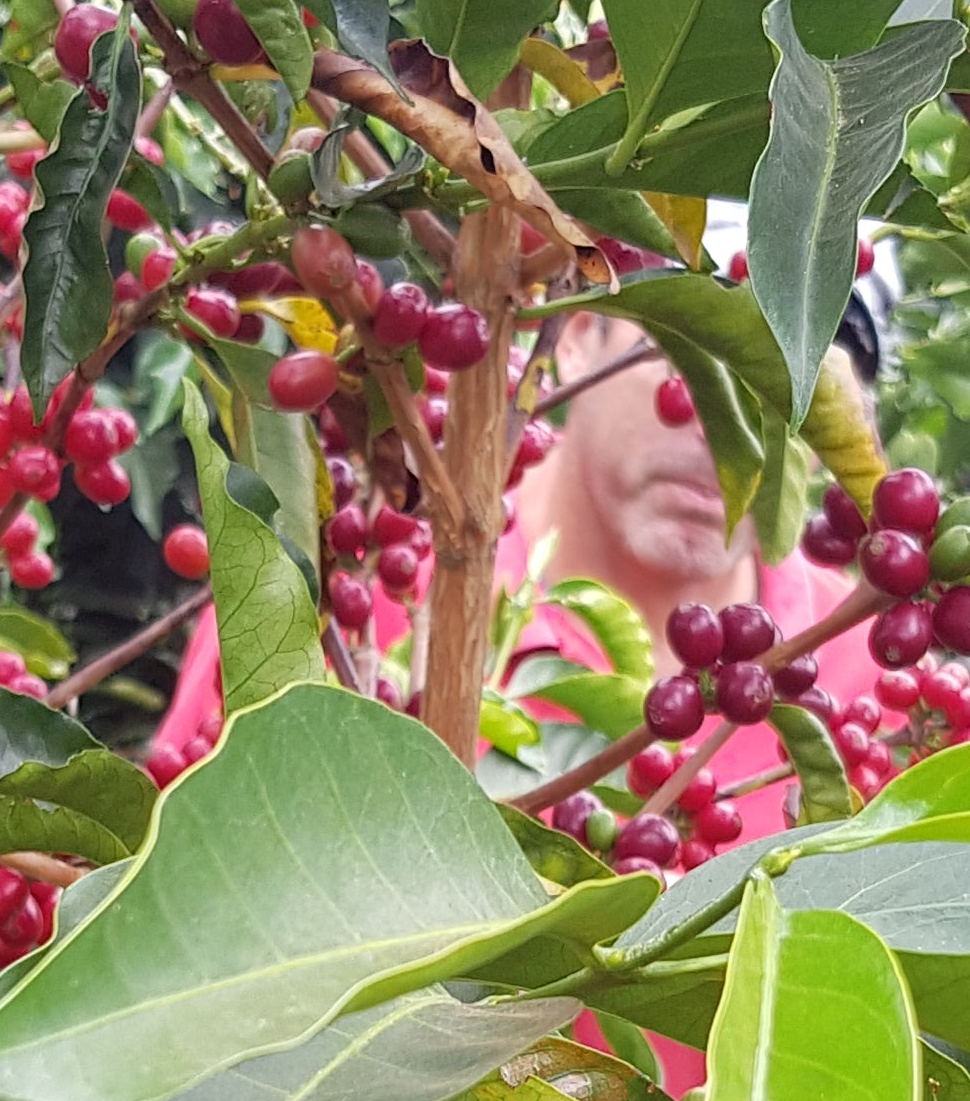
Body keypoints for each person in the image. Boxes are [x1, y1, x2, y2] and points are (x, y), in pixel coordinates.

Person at [148, 274, 885, 832]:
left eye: (792, 394)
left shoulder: (873, 678)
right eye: (692, 362)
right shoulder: (356, 582)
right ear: (576, 336)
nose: (727, 430)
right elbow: (177, 870)